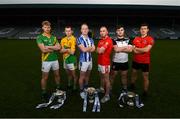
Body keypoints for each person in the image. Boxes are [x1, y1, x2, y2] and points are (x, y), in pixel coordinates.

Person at [36, 21, 61, 101]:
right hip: (46, 60)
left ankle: (58, 88)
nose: (47, 28)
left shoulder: (53, 37)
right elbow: (43, 50)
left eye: (49, 27)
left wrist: (48, 47)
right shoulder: (40, 37)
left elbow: (59, 47)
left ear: (50, 28)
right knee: (45, 78)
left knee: (57, 74)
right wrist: (53, 47)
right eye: (45, 27)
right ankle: (44, 92)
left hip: (55, 59)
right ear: (43, 28)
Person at [130, 23, 154, 97]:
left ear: (147, 30)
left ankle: (145, 91)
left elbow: (146, 49)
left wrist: (137, 49)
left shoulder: (150, 39)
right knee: (134, 73)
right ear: (140, 30)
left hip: (145, 62)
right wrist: (140, 50)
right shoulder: (136, 39)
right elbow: (134, 51)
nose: (143, 30)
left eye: (145, 28)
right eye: (142, 29)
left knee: (145, 77)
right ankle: (132, 85)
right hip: (136, 60)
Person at [110, 25, 133, 92]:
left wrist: (119, 49)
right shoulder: (113, 40)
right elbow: (116, 50)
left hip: (125, 62)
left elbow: (130, 50)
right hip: (115, 61)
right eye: (118, 30)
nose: (120, 31)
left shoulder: (128, 40)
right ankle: (110, 88)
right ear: (116, 32)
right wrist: (125, 47)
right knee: (112, 76)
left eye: (121, 30)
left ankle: (124, 88)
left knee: (124, 76)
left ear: (124, 31)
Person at [77, 23, 95, 98]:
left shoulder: (90, 39)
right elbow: (83, 50)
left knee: (88, 75)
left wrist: (88, 48)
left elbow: (94, 49)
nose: (85, 30)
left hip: (90, 60)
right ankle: (81, 90)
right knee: (82, 77)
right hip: (83, 61)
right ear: (81, 30)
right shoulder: (79, 39)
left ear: (88, 30)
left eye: (86, 28)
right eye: (83, 29)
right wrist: (90, 48)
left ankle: (86, 87)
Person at [97, 26, 113, 103]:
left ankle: (107, 95)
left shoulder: (108, 40)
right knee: (101, 77)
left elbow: (100, 51)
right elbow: (97, 50)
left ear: (107, 32)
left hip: (105, 63)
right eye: (101, 31)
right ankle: (102, 88)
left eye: (103, 31)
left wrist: (100, 49)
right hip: (100, 62)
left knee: (107, 79)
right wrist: (100, 49)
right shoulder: (100, 41)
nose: (102, 32)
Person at [60, 26, 78, 91]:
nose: (68, 32)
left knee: (74, 75)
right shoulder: (62, 40)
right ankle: (69, 84)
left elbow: (72, 52)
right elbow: (60, 51)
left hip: (72, 59)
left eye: (69, 31)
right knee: (68, 74)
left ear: (72, 31)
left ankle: (75, 85)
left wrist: (65, 49)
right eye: (66, 31)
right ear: (65, 32)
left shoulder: (74, 39)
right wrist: (68, 49)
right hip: (65, 59)